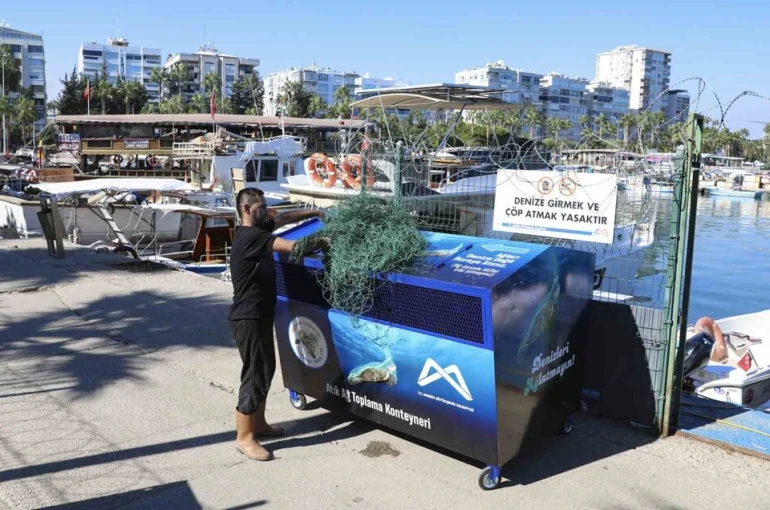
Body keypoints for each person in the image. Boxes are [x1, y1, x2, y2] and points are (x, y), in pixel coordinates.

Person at [229, 188, 327, 461]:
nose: (266, 211)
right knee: (254, 374)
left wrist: (314, 212)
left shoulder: (257, 229)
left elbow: (283, 218)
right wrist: (323, 241)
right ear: (247, 209)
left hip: (260, 314)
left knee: (266, 368)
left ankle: (259, 424)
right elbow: (294, 248)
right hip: (247, 317)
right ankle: (244, 437)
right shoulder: (251, 237)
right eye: (261, 207)